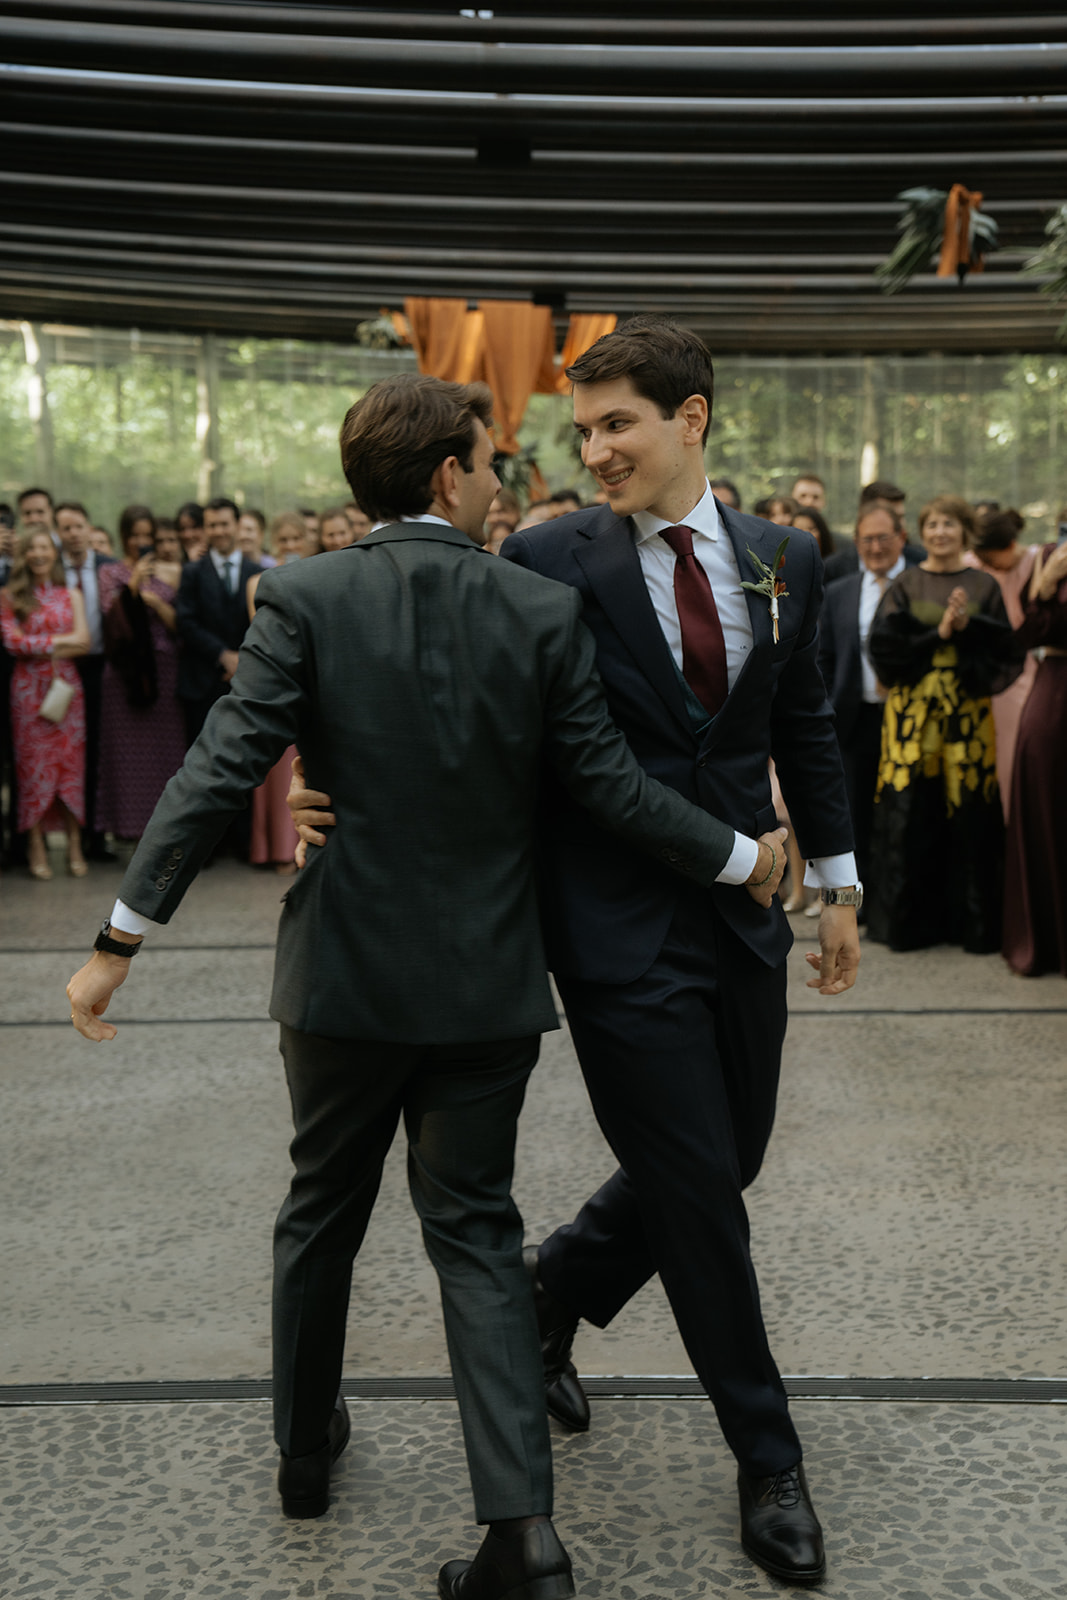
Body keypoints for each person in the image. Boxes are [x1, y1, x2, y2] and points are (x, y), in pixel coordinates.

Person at [67, 372, 785, 1600]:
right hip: (484, 989)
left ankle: (303, 1449)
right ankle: (524, 1537)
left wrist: (119, 937)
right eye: (490, 459)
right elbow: (606, 787)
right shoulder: (534, 610)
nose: (505, 477)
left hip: (341, 977)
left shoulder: (300, 597)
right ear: (447, 476)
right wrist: (738, 856)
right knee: (476, 1234)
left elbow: (212, 771)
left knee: (317, 1211)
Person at [292, 318, 859, 1586]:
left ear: (691, 418)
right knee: (699, 1193)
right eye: (581, 429)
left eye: (617, 424)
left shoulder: (784, 556)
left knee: (732, 1154)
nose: (592, 450)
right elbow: (434, 667)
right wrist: (328, 786)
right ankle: (768, 1459)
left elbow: (804, 723)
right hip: (609, 927)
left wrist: (837, 883)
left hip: (745, 911)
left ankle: (551, 1293)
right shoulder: (546, 555)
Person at [867, 495, 1025, 953]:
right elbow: (884, 648)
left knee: (971, 809)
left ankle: (973, 925)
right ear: (922, 532)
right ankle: (908, 924)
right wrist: (938, 634)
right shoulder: (906, 583)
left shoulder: (983, 585)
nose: (940, 532)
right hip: (912, 718)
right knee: (910, 810)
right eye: (932, 524)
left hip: (967, 715)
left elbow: (1003, 650)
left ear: (964, 532)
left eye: (949, 525)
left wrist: (966, 628)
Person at [818, 503, 908, 897]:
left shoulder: (919, 585)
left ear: (901, 539)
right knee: (857, 813)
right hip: (856, 720)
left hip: (910, 721)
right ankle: (863, 900)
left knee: (905, 812)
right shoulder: (839, 592)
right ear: (855, 543)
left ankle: (904, 900)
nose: (875, 547)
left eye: (883, 537)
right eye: (867, 539)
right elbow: (824, 658)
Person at [1, 529, 90, 878]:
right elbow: (12, 643)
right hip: (27, 691)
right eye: (31, 549)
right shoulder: (9, 597)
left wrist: (36, 642)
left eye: (44, 547)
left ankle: (74, 843)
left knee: (70, 766)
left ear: (54, 554)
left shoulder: (72, 594)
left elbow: (84, 642)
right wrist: (61, 642)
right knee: (31, 768)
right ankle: (36, 844)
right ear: (22, 556)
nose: (38, 554)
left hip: (67, 689)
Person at [96, 516, 187, 841]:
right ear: (124, 537)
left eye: (149, 536)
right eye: (136, 535)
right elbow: (111, 617)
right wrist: (133, 586)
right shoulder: (109, 572)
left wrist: (155, 602)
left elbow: (182, 625)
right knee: (125, 758)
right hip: (125, 675)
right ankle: (128, 831)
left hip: (165, 670)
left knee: (167, 754)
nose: (143, 542)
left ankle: (168, 829)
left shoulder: (174, 572)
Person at [1002, 539, 1067, 977]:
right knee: (1048, 811)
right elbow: (1026, 636)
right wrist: (1044, 587)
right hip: (1057, 693)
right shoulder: (1048, 556)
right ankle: (1048, 942)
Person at [246, 518, 313, 872]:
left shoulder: (319, 575)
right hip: (278, 679)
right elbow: (260, 629)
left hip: (311, 681)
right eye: (283, 538)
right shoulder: (258, 582)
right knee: (276, 770)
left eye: (295, 537)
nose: (290, 544)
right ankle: (272, 848)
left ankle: (301, 844)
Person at [56, 500, 118, 861]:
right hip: (61, 669)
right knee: (66, 753)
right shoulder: (48, 570)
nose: (74, 533)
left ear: (89, 528)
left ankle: (96, 837)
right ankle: (70, 836)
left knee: (97, 751)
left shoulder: (109, 568)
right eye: (66, 528)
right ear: (59, 534)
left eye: (79, 526)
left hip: (102, 670)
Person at [966, 509, 1038, 817]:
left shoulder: (1038, 563)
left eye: (991, 562)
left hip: (1023, 669)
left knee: (1013, 758)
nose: (986, 567)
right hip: (982, 670)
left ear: (1009, 547)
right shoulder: (972, 564)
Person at [175, 497, 262, 746]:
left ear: (236, 524)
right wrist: (223, 655)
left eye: (225, 524)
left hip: (245, 683)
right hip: (201, 682)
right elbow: (186, 622)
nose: (219, 531)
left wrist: (242, 659)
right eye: (212, 525)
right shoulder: (192, 572)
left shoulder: (256, 572)